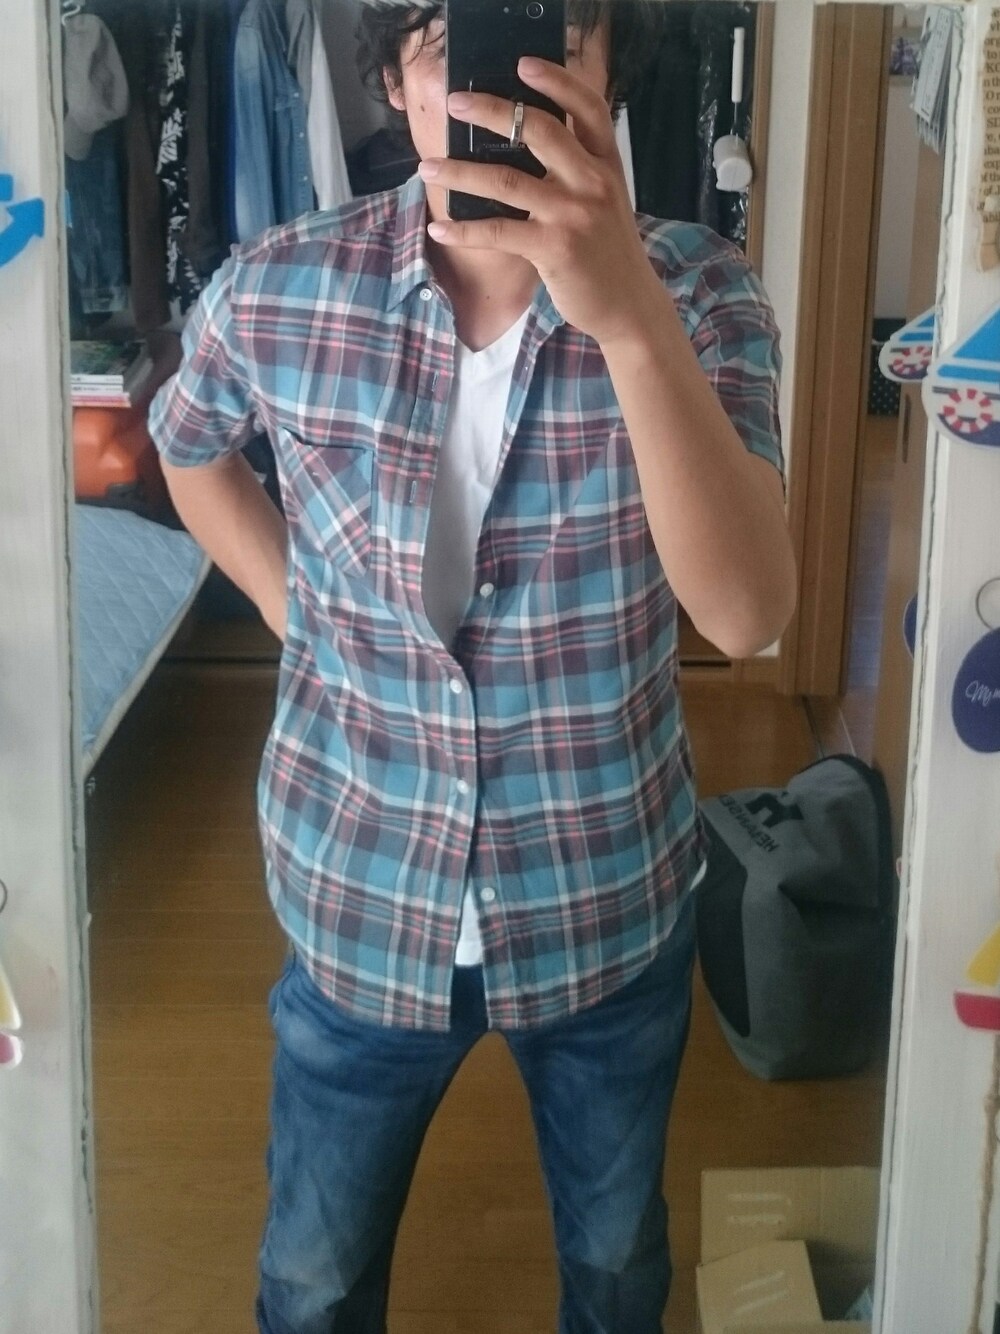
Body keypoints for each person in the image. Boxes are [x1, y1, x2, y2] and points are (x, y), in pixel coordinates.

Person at [148, 2, 796, 1329]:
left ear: (609, 78)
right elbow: (186, 441)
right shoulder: (281, 285)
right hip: (358, 890)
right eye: (451, 37)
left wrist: (627, 323)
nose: (504, 84)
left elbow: (747, 617)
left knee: (616, 1262)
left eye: (550, 34)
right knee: (313, 1278)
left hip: (603, 894)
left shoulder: (701, 293)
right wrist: (293, 607)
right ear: (392, 82)